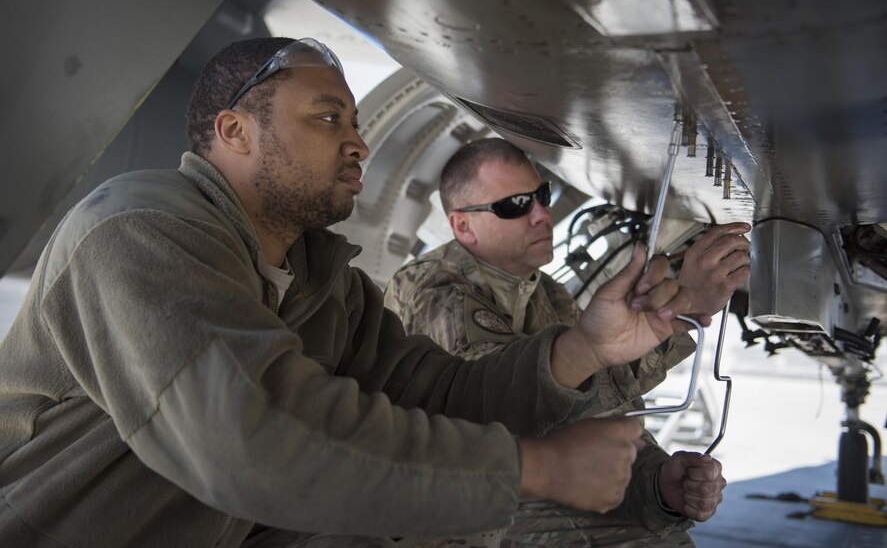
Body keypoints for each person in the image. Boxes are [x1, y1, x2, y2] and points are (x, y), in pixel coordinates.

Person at [0, 37, 707, 548]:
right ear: (234, 132)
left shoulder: (319, 280)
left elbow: (436, 396)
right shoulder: (140, 228)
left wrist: (581, 349)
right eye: (326, 118)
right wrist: (537, 466)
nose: (358, 144)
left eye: (355, 122)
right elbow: (252, 440)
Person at [385, 138, 751, 547]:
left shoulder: (548, 293)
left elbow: (602, 410)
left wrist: (658, 484)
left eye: (541, 196)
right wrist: (682, 311)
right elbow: (516, 404)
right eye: (514, 206)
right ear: (463, 226)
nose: (542, 214)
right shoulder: (436, 292)